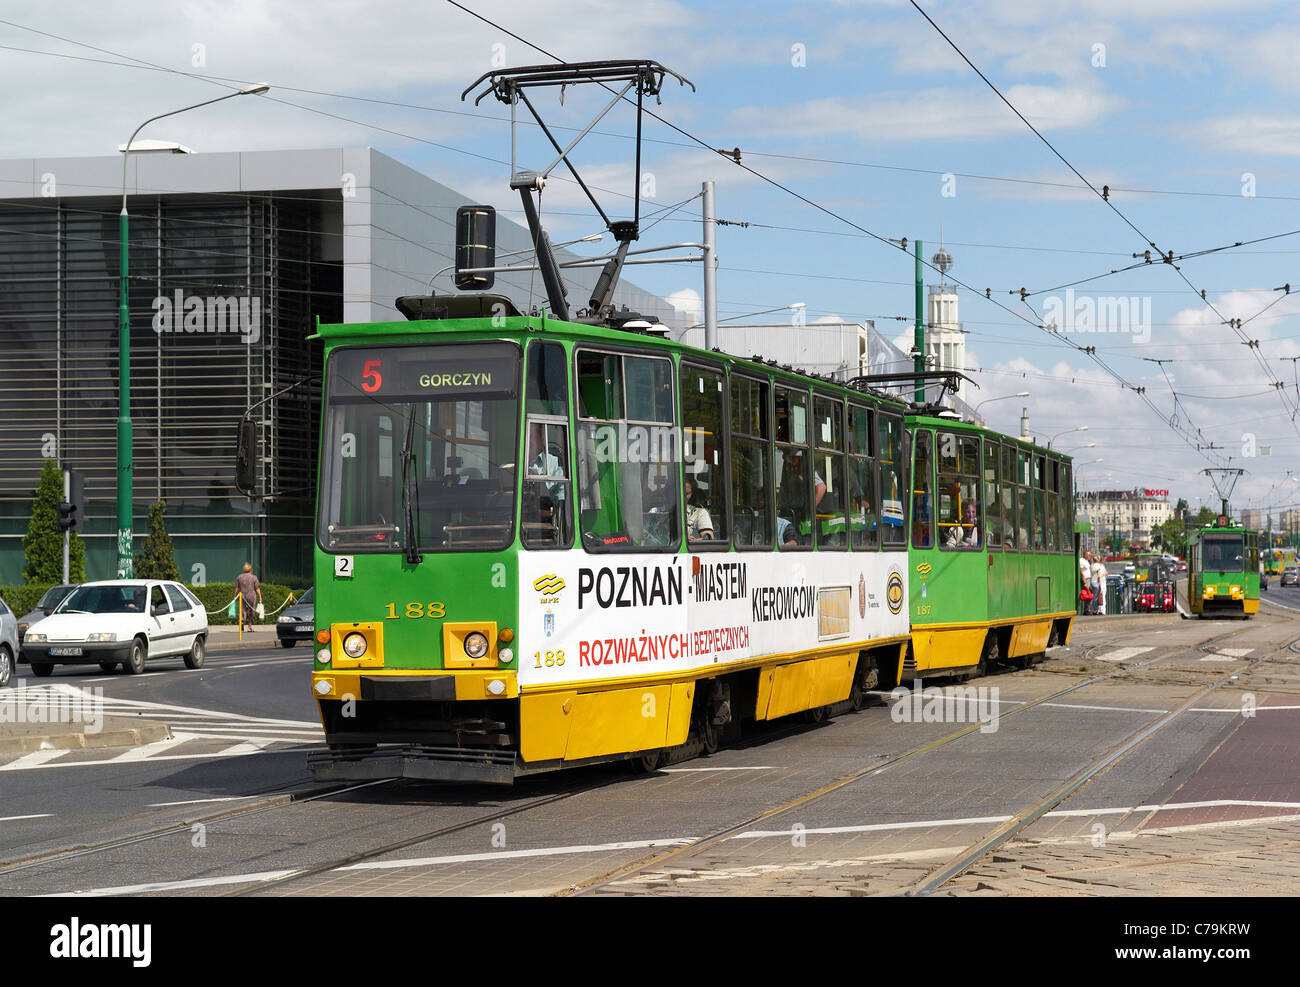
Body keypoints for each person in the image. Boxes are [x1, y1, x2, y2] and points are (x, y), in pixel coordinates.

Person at [235, 562, 262, 632]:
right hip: (251, 596)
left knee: (242, 609)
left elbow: (237, 588)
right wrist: (260, 597)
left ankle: (241, 622)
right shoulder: (254, 577)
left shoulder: (239, 577)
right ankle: (249, 627)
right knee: (251, 610)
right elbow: (257, 589)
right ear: (251, 569)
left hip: (242, 595)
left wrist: (235, 596)